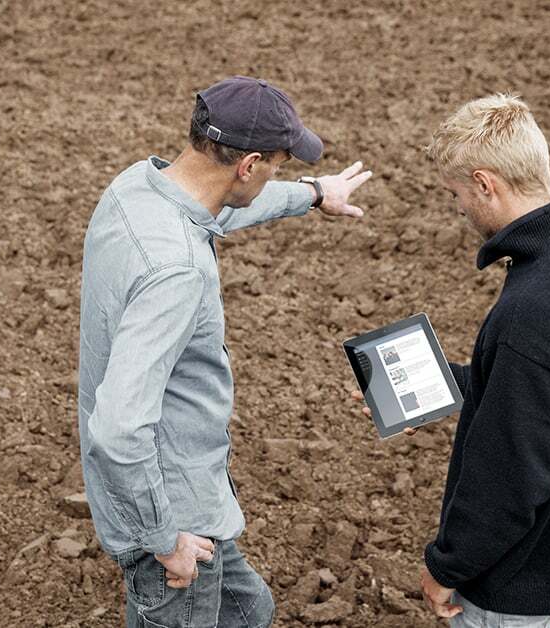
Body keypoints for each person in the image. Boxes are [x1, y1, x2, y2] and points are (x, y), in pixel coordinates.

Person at [78, 76, 373, 628]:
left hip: (188, 491)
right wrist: (165, 541)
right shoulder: (177, 272)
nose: (275, 175)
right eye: (278, 167)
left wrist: (312, 192)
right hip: (175, 516)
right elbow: (118, 429)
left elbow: (221, 208)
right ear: (249, 165)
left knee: (248, 611)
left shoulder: (135, 188)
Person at [356, 94, 550, 626]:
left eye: (456, 194)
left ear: (484, 183)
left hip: (511, 578)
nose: (457, 208)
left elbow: (513, 476)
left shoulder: (533, 309)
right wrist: (444, 384)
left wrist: (447, 565)